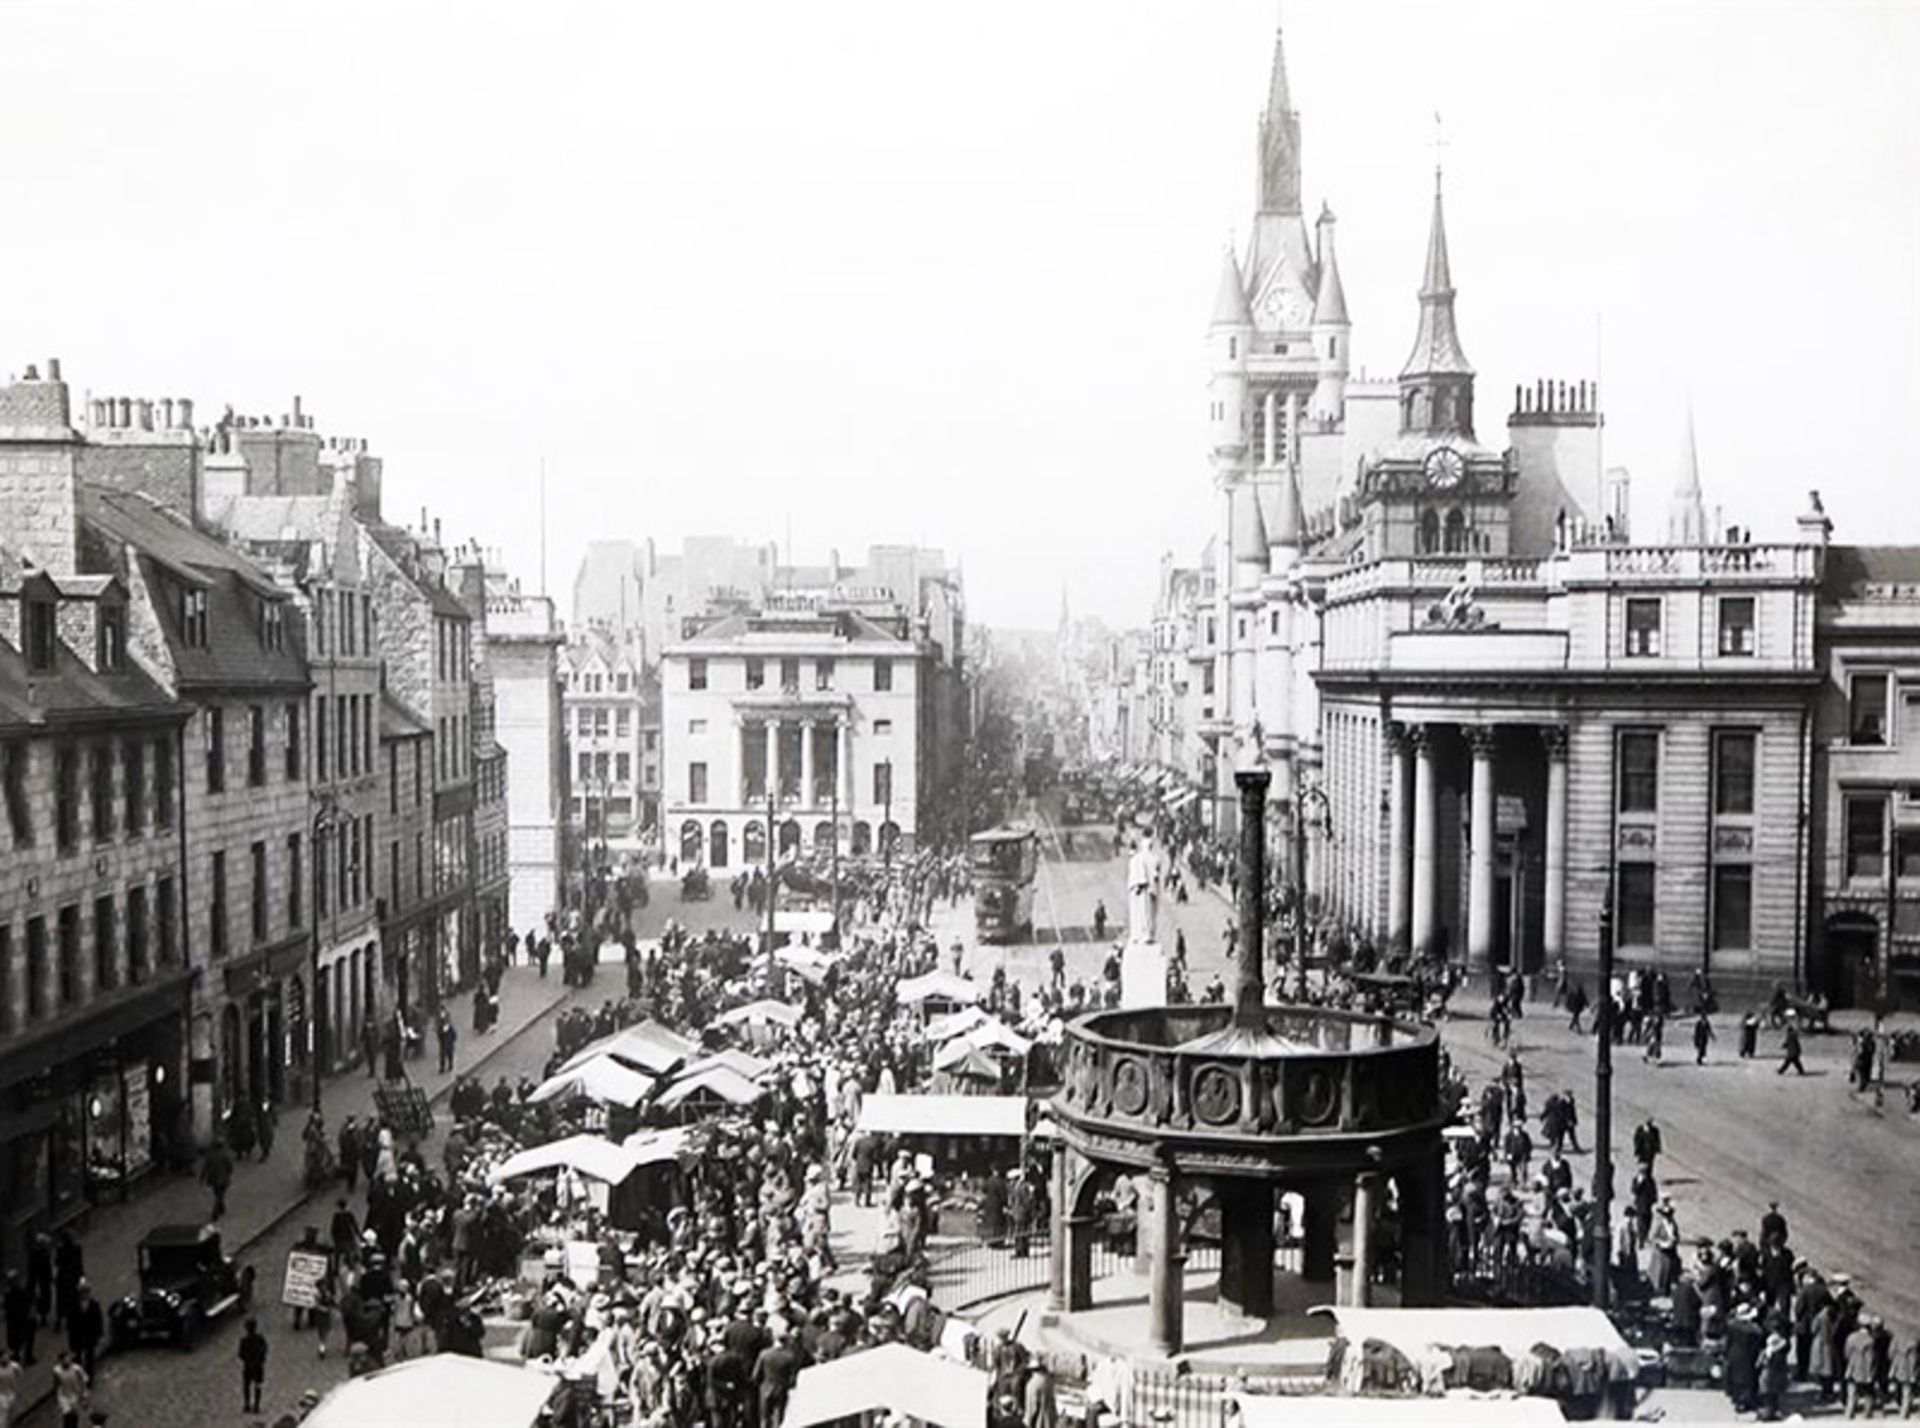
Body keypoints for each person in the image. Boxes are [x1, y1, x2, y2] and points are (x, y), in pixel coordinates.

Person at [65, 1283, 102, 1379]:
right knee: (77, 1358)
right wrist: (71, 1338)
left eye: (86, 1292)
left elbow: (98, 1321)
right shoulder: (73, 1305)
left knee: (90, 1358)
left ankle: (89, 1377)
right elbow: (71, 1323)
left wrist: (98, 1334)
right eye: (83, 1293)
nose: (85, 1295)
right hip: (78, 1336)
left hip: (90, 1336)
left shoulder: (94, 1305)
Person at [239, 1317, 269, 1413]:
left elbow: (240, 1353)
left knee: (246, 1386)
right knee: (258, 1385)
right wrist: (261, 1359)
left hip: (248, 1366)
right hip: (258, 1366)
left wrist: (246, 1359)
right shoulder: (260, 1339)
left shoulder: (244, 1340)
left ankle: (247, 1404)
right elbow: (265, 1349)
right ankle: (256, 1405)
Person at [51, 1349, 87, 1428]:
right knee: (67, 1416)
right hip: (64, 1396)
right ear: (61, 1361)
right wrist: (55, 1393)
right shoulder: (57, 1370)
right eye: (65, 1359)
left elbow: (83, 1380)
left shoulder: (76, 1369)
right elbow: (56, 1382)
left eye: (69, 1359)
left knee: (74, 1416)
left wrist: (84, 1394)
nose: (68, 1361)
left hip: (75, 1395)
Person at [203, 1137, 235, 1220]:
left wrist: (203, 1177)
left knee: (218, 1193)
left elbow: (206, 1167)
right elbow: (230, 1166)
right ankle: (215, 1212)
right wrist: (229, 1173)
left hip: (213, 1178)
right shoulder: (225, 1155)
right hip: (223, 1178)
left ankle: (221, 1208)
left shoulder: (210, 1155)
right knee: (219, 1195)